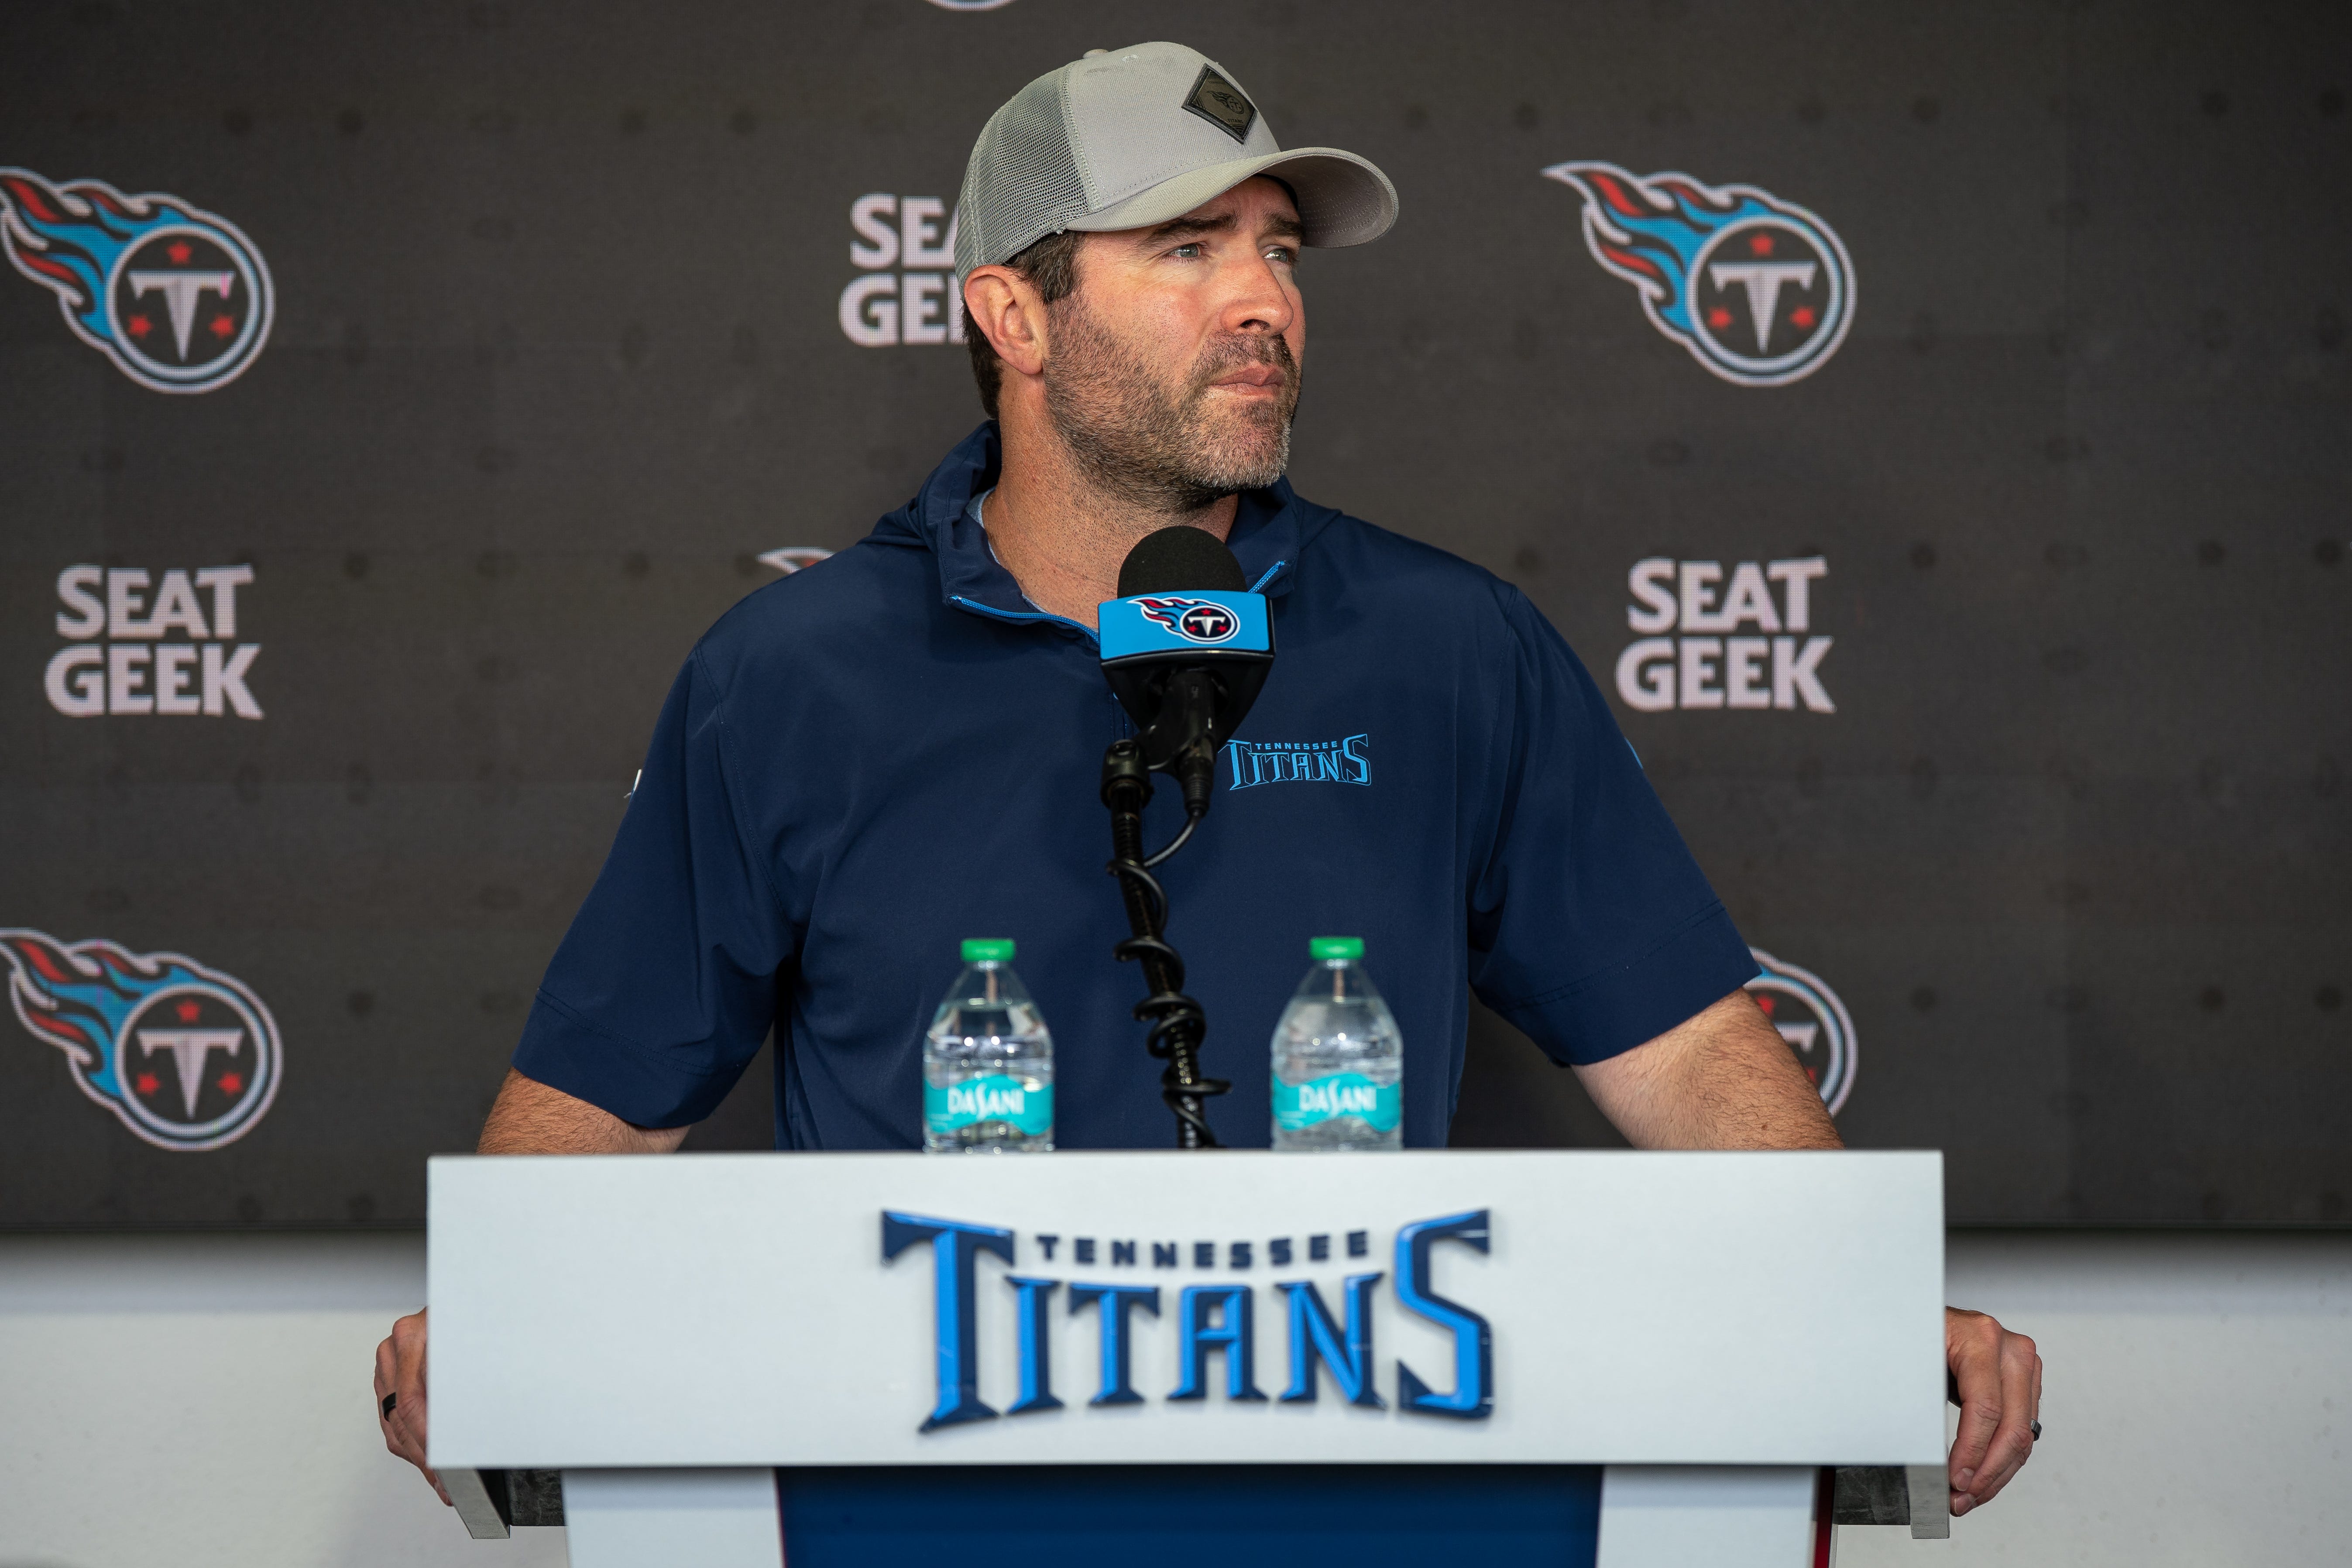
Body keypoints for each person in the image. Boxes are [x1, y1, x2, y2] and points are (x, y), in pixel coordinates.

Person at [377, 41, 2040, 1522]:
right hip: (916, 1493)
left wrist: (1857, 1298)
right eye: (1187, 248)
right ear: (1013, 313)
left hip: (1382, 1485)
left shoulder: (1448, 644)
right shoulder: (791, 672)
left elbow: (1681, 1044)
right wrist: (500, 1302)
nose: (1266, 302)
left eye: (1278, 250)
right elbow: (611, 1074)